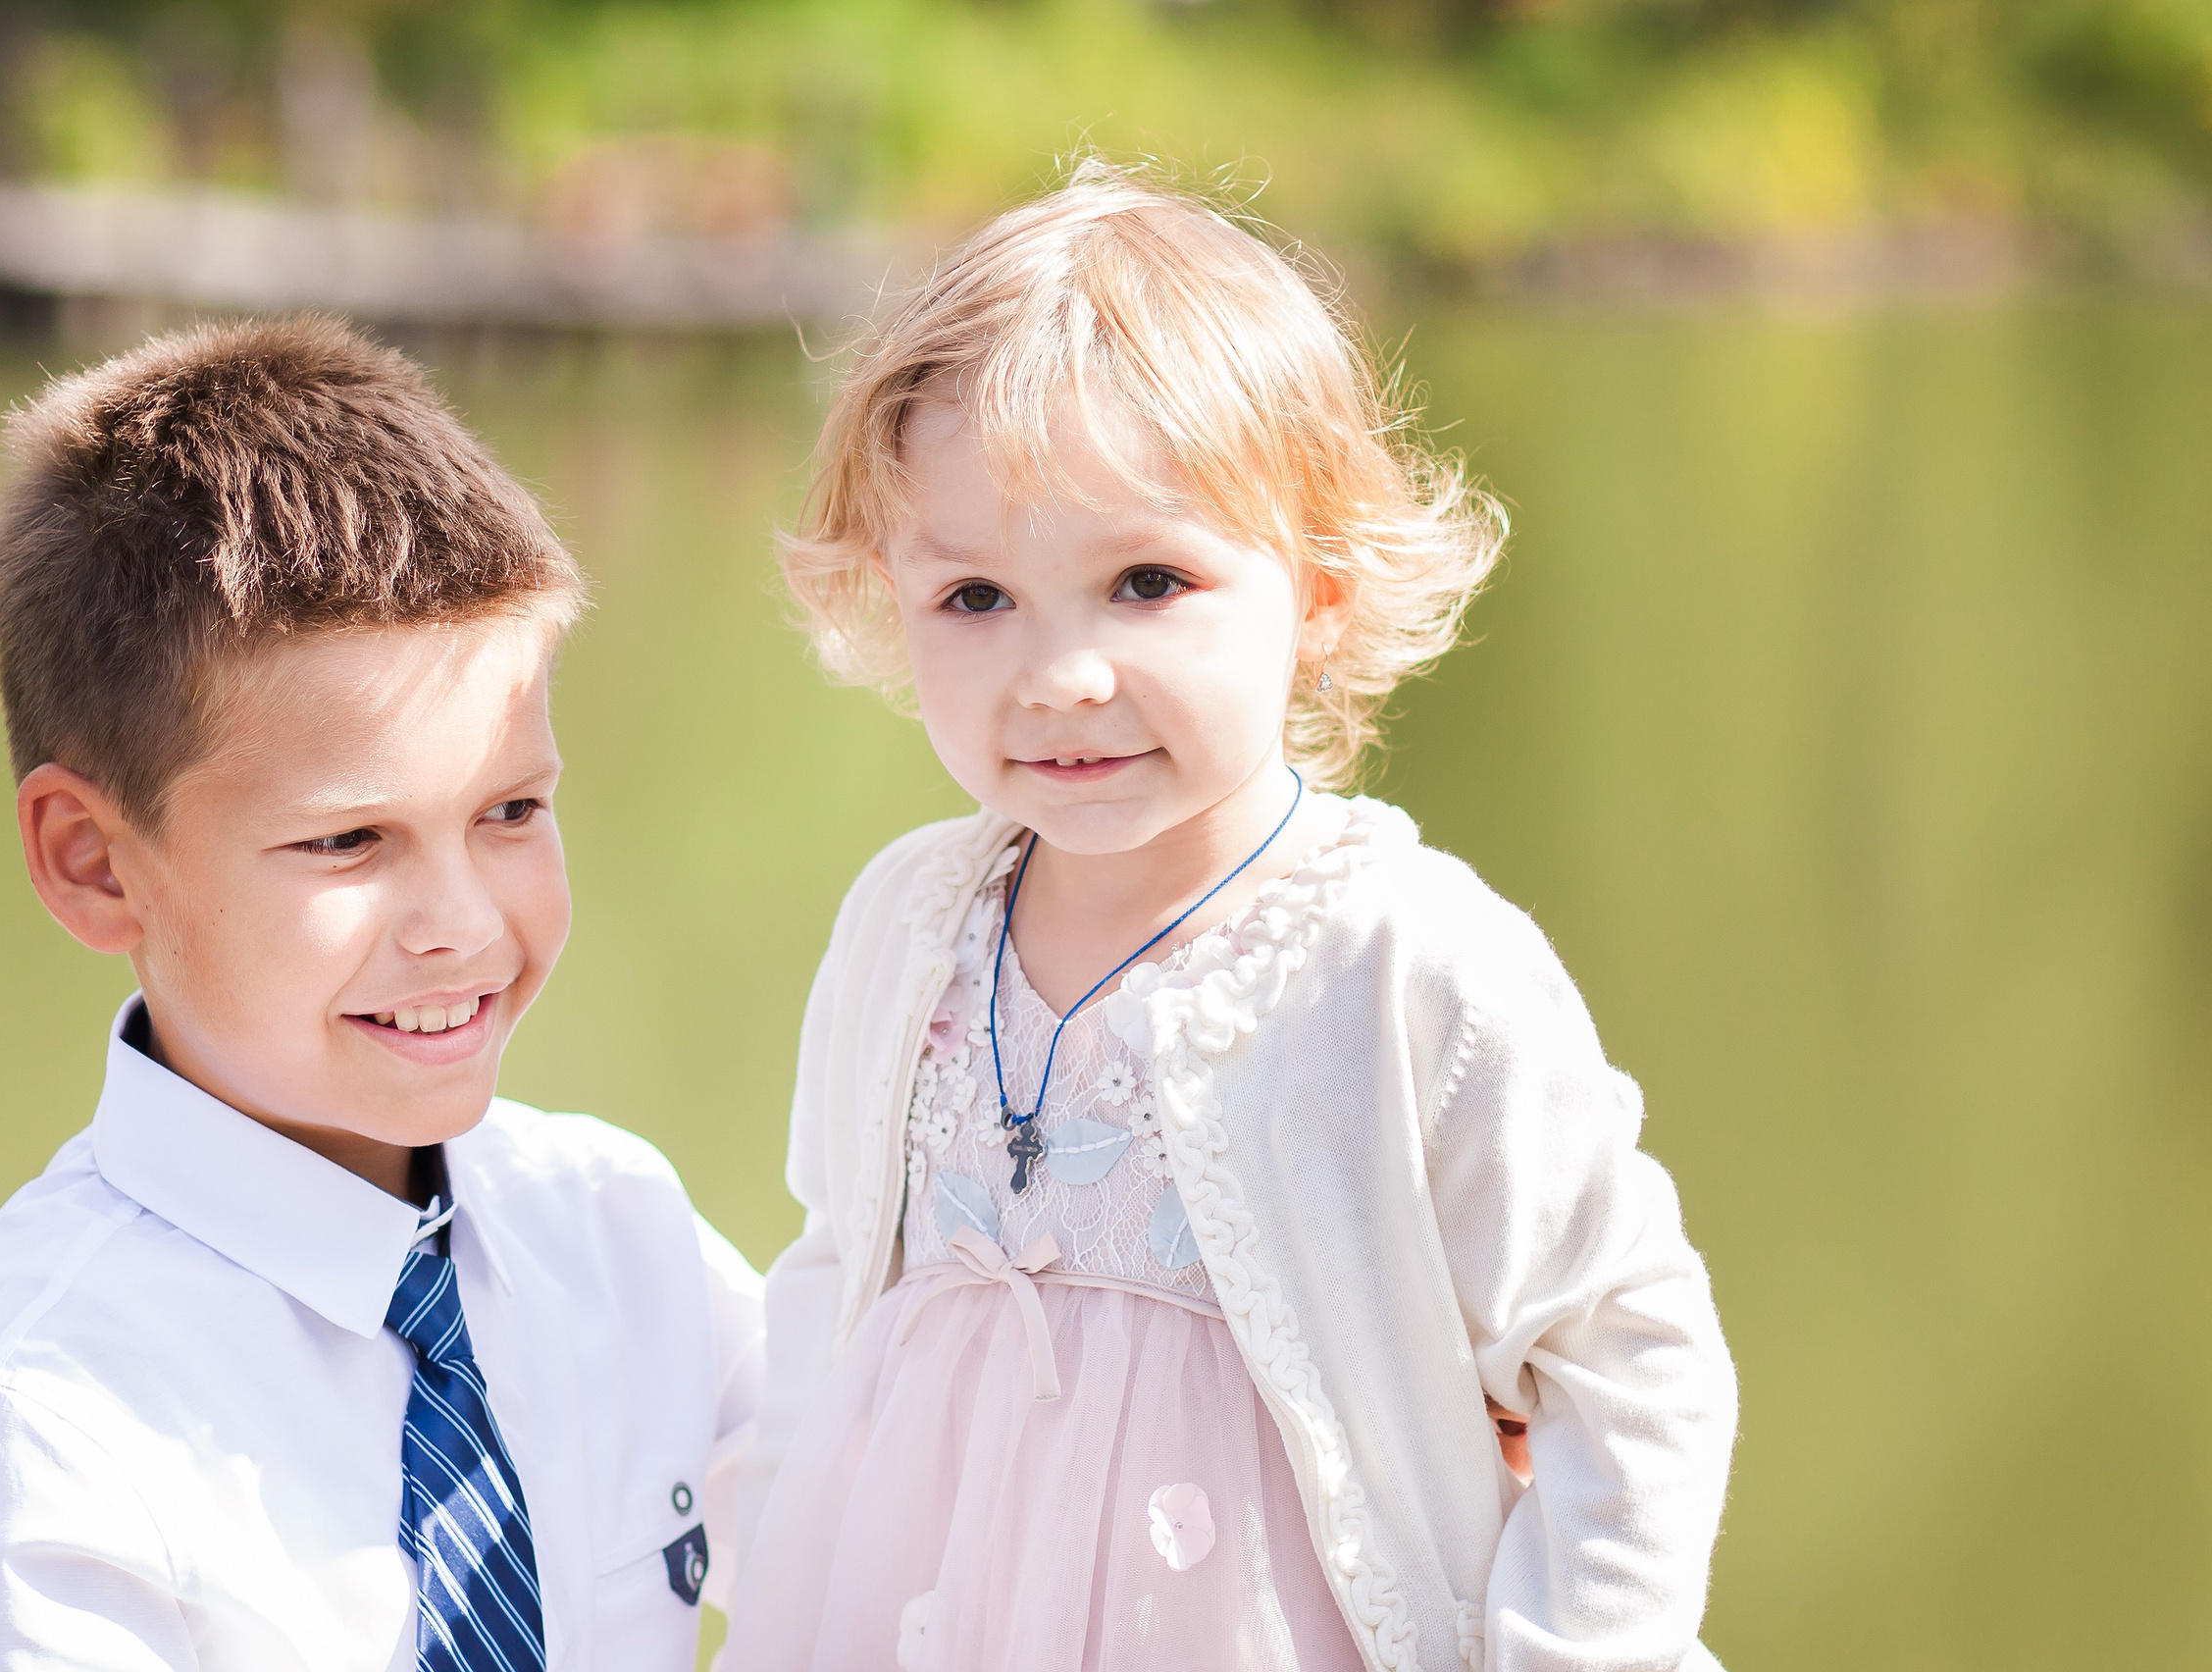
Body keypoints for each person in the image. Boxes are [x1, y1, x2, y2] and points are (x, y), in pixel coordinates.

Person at [721, 166, 1736, 1672]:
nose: (1060, 675)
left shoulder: (1398, 962)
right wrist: (778, 1547)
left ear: (1316, 590)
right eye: (977, 598)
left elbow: (1624, 1349)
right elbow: (832, 1266)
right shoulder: (909, 926)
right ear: (892, 596)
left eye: (1147, 582)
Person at [0, 317, 762, 1672]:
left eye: (511, 809)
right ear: (96, 865)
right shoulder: (37, 1433)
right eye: (347, 841)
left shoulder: (619, 1234)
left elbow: (919, 1548)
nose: (461, 925)